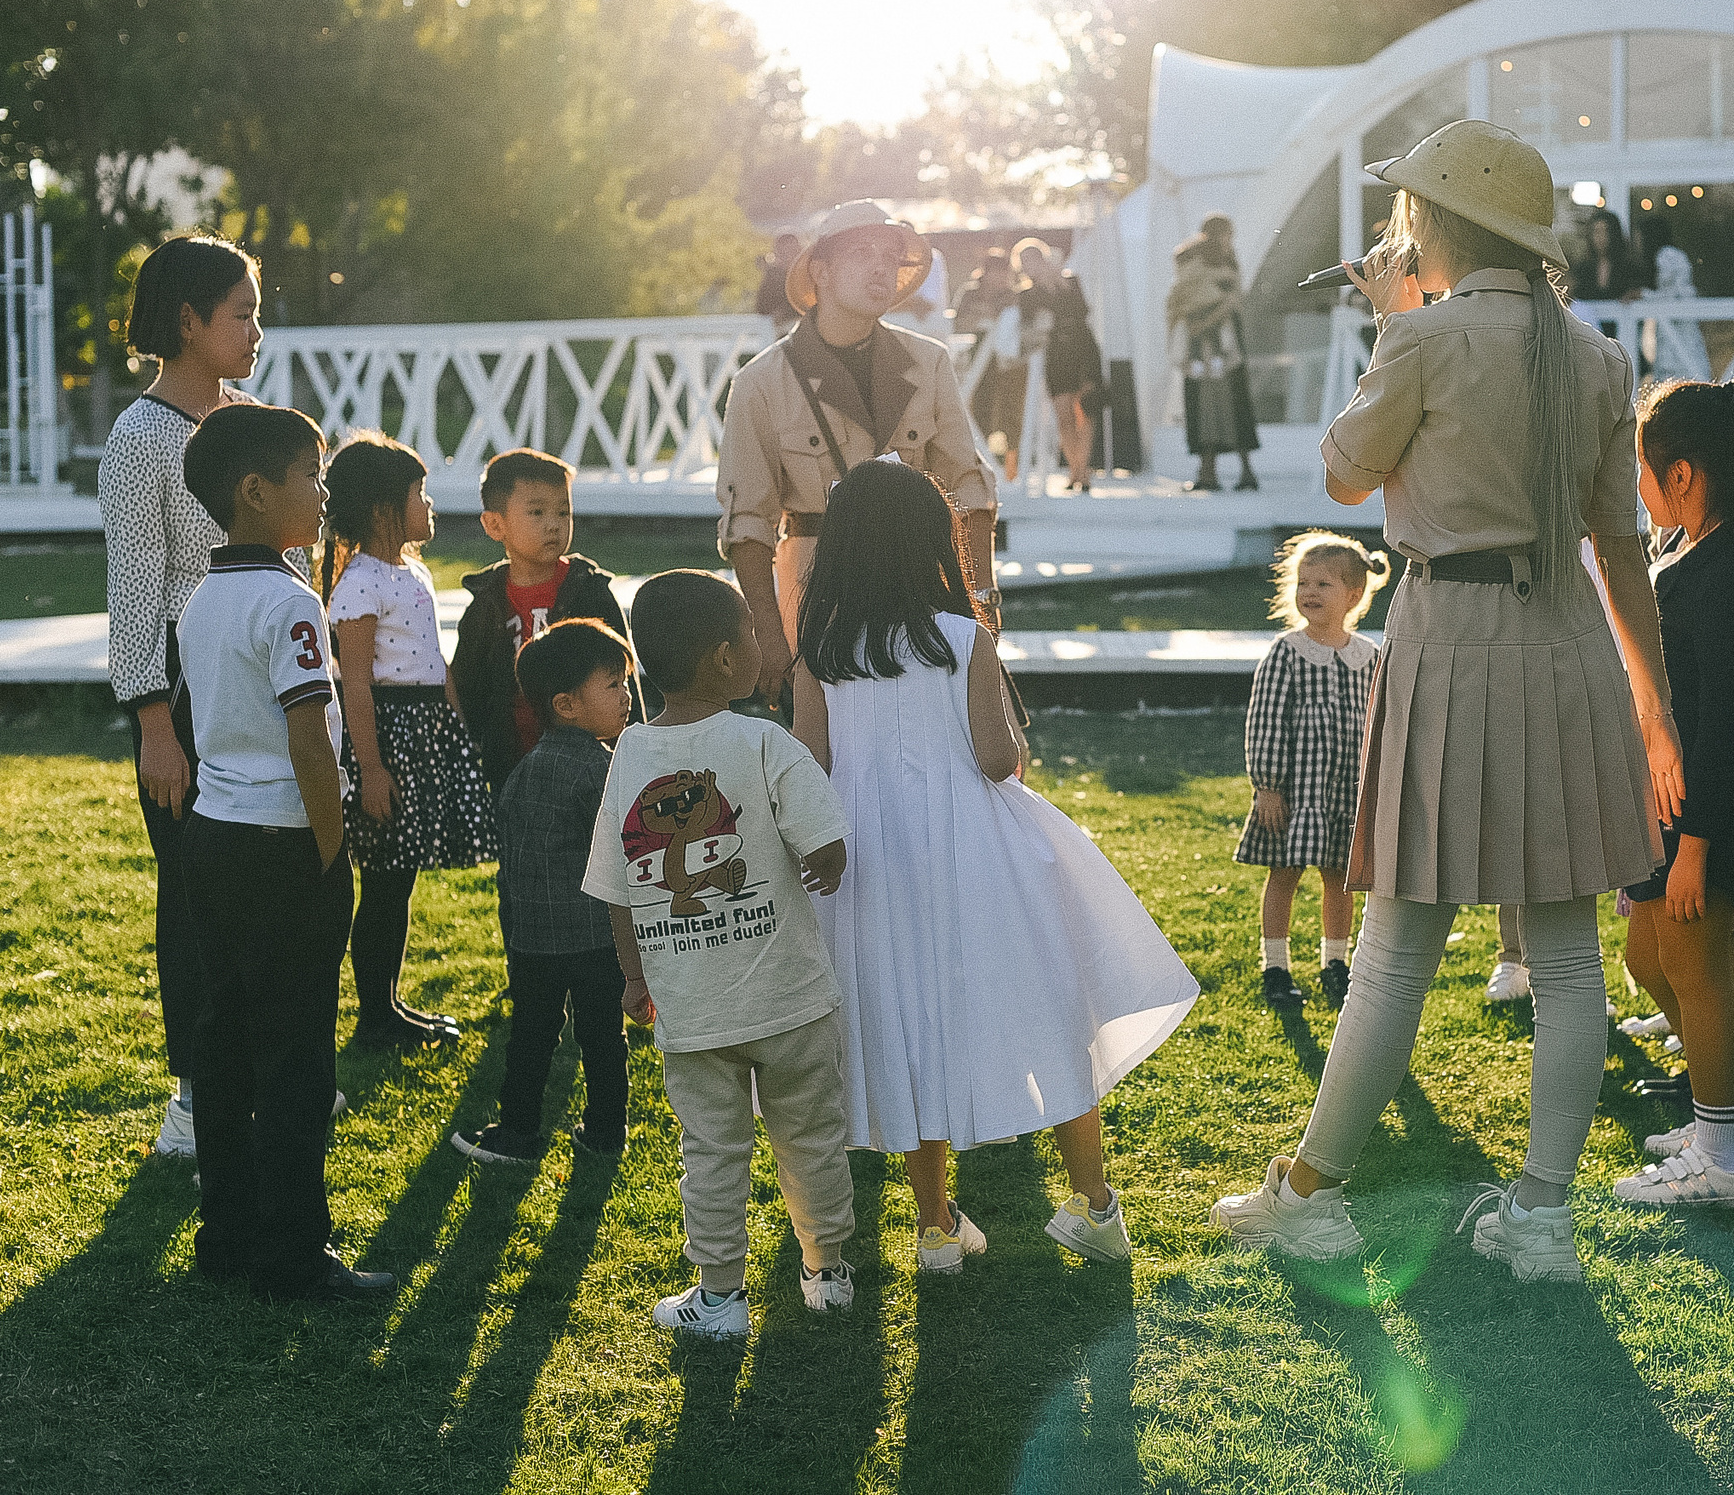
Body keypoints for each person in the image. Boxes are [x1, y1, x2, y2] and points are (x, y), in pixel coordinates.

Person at [1210, 119, 1683, 1284]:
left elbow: (1342, 474)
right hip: (1564, 642)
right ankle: (1541, 1217)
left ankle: (1310, 1193)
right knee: (1565, 953)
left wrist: (1390, 318)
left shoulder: (1421, 334)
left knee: (1395, 949)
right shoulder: (1597, 355)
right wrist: (1655, 700)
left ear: (1434, 221)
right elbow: (1621, 545)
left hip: (1450, 640)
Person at [792, 461, 1198, 1272]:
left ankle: (936, 1225)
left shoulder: (820, 652)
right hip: (972, 855)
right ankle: (1094, 1202)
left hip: (867, 866)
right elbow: (994, 757)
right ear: (929, 545)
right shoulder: (962, 638)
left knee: (906, 1026)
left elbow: (811, 763)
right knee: (1047, 1010)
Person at [584, 570, 859, 1335]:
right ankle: (827, 1271)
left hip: (694, 1006)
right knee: (812, 1138)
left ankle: (719, 1296)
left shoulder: (630, 754)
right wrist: (828, 863)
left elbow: (616, 885)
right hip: (791, 999)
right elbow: (826, 841)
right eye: (751, 631)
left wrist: (634, 976)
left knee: (709, 1151)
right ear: (727, 658)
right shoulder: (765, 741)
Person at [100, 233, 313, 1161]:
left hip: (274, 686)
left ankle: (267, 1074)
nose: (257, 330)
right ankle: (194, 1095)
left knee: (276, 883)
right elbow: (133, 590)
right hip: (185, 700)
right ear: (188, 321)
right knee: (195, 895)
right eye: (242, 313)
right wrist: (155, 726)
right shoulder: (138, 439)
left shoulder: (253, 422)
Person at [176, 402, 394, 1301]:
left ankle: (226, 1232)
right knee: (298, 1054)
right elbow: (310, 739)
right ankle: (294, 1253)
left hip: (212, 837)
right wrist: (331, 851)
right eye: (312, 474)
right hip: (284, 843)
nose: (325, 490)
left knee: (224, 1038)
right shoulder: (289, 600)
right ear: (256, 492)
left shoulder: (203, 597)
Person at [1606, 377, 1734, 1208]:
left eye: (1641, 470)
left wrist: (1695, 848)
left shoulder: (1725, 573)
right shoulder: (1692, 553)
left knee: (1696, 965)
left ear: (1681, 474)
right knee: (1651, 958)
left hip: (1702, 805)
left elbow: (1720, 725)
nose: (1637, 486)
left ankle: (1722, 1160)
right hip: (1670, 801)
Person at [716, 200, 999, 700]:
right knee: (830, 741)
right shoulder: (761, 382)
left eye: (891, 257)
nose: (881, 268)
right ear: (821, 271)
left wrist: (980, 597)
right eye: (863, 253)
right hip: (818, 594)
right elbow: (748, 523)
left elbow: (968, 487)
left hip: (920, 587)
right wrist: (768, 631)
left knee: (952, 734)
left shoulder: (928, 363)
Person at [322, 435, 494, 1051]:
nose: (429, 505)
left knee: (401, 881)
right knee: (385, 886)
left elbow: (433, 661)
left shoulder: (410, 571)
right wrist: (371, 769)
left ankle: (389, 1004)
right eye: (419, 493)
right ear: (381, 510)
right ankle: (375, 1016)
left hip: (423, 733)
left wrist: (456, 724)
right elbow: (356, 686)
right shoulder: (361, 583)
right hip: (390, 738)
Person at [452, 618, 637, 1167]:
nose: (627, 695)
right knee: (603, 1040)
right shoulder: (603, 773)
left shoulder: (523, 771)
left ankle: (518, 1134)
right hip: (597, 940)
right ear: (566, 705)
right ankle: (605, 1132)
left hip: (534, 942)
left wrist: (514, 933)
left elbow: (511, 869)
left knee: (531, 1039)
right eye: (614, 684)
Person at [1235, 531, 1388, 1012]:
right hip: (1296, 793)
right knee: (1284, 872)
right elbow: (1265, 720)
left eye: (1323, 584)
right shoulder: (1288, 652)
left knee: (1340, 876)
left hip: (1346, 792)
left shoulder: (1368, 657)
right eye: (1303, 583)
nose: (1310, 592)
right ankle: (1276, 966)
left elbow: (1378, 724)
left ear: (1354, 595)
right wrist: (1267, 786)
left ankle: (1335, 964)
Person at [449, 448, 642, 791]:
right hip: (510, 767)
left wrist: (636, 747)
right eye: (537, 512)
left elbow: (622, 676)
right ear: (495, 524)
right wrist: (468, 754)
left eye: (563, 512)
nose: (553, 524)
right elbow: (469, 688)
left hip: (589, 767)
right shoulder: (486, 605)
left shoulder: (588, 592)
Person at [1167, 214, 1261, 492]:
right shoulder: (1216, 261)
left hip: (1212, 342)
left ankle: (1215, 472)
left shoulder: (1197, 260)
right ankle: (1231, 471)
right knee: (1227, 406)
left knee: (1213, 406)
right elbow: (1223, 297)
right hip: (1215, 343)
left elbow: (1183, 297)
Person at [1016, 237, 1106, 496]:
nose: (1030, 265)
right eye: (1025, 262)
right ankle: (1076, 468)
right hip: (1056, 354)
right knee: (1064, 416)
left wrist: (1060, 285)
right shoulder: (1026, 295)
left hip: (1083, 348)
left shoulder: (1071, 281)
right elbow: (1029, 324)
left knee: (1087, 409)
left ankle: (1081, 471)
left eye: (1033, 259)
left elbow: (1083, 311)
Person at [956, 247, 1026, 476]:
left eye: (1004, 272)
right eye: (996, 271)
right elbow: (960, 322)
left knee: (1012, 413)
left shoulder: (1013, 295)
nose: (1000, 277)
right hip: (977, 363)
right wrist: (984, 315)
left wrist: (988, 314)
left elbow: (1012, 319)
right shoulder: (970, 293)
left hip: (1010, 365)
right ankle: (979, 464)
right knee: (980, 411)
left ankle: (1012, 469)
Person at [1637, 214, 1708, 384]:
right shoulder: (1669, 255)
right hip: (1673, 329)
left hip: (1679, 327)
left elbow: (1671, 296)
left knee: (1683, 373)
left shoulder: (1667, 256)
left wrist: (1643, 295)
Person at [1569, 207, 1632, 303]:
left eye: (1606, 231)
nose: (1601, 237)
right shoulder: (1583, 268)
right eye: (1597, 231)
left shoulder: (1628, 267)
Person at [755, 232, 803, 336]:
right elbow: (762, 308)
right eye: (785, 251)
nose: (789, 255)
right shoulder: (773, 277)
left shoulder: (805, 275)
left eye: (793, 250)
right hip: (783, 331)